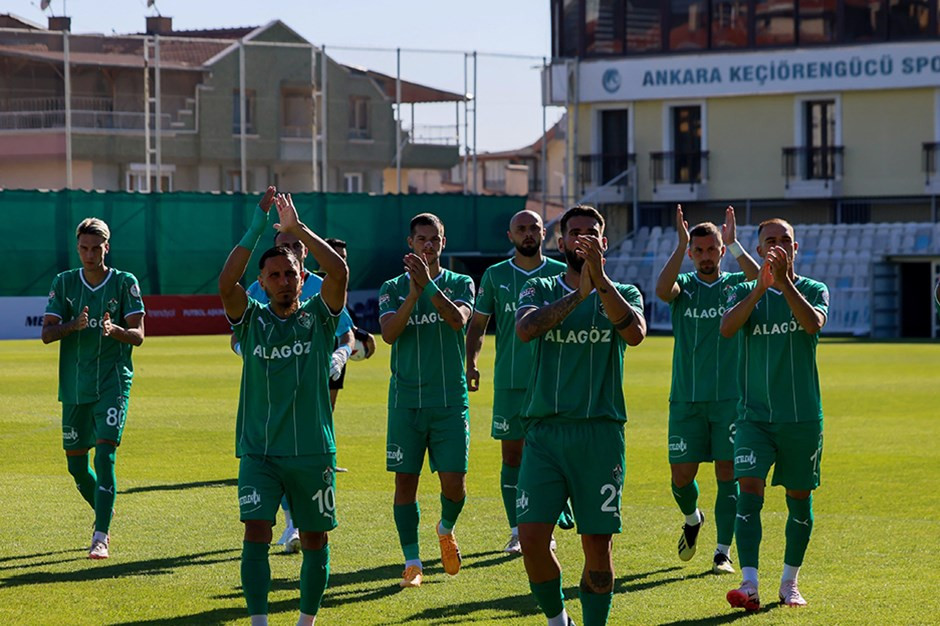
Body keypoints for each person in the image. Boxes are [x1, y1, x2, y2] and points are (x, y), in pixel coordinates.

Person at [219, 192, 348, 626]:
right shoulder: (251, 319)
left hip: (313, 450)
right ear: (262, 282)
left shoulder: (320, 316)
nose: (282, 280)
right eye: (273, 275)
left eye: (289, 273)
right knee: (256, 532)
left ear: (300, 275)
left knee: (314, 537)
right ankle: (259, 622)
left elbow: (340, 271)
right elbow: (225, 283)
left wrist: (298, 231)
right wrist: (259, 228)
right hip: (259, 450)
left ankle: (305, 622)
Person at [515, 205, 646, 626]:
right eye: (575, 232)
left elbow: (635, 333)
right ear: (561, 241)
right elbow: (526, 328)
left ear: (604, 243)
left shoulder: (625, 291)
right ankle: (558, 621)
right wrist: (578, 295)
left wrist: (601, 282)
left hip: (599, 435)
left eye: (592, 232)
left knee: (598, 551)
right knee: (533, 540)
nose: (583, 238)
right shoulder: (538, 288)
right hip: (545, 433)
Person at [719, 218, 829, 611]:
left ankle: (789, 583)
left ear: (795, 249)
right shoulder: (744, 290)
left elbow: (812, 324)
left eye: (785, 240)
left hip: (801, 418)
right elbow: (727, 328)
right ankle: (749, 583)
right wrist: (760, 290)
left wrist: (785, 285)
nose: (779, 246)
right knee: (747, 491)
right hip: (754, 418)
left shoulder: (814, 289)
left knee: (799, 501)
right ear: (761, 248)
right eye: (771, 240)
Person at [654, 205, 759, 575]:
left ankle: (722, 552)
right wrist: (678, 243)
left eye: (711, 249)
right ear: (690, 254)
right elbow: (661, 289)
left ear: (719, 249)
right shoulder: (685, 287)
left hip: (731, 400)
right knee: (681, 476)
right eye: (697, 251)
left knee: (728, 474)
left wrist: (735, 246)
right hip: (686, 398)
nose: (705, 256)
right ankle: (692, 517)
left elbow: (766, 281)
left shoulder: (735, 286)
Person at [379, 213, 475, 588]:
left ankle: (445, 527)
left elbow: (457, 320)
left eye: (434, 239)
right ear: (410, 244)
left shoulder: (461, 282)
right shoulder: (391, 288)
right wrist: (414, 294)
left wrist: (429, 287)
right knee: (406, 483)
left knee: (455, 485)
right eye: (421, 239)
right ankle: (412, 562)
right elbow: (388, 333)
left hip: (450, 400)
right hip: (406, 401)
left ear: (443, 242)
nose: (428, 245)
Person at [41, 218, 145, 560]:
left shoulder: (125, 282)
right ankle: (104, 506)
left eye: (96, 248)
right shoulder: (65, 282)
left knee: (105, 455)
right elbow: (47, 333)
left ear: (107, 248)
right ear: (77, 248)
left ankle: (101, 534)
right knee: (75, 466)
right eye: (84, 248)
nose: (89, 255)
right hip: (73, 384)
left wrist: (114, 330)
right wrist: (75, 325)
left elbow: (139, 335)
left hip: (113, 381)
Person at [465, 210, 566, 554]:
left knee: (553, 456)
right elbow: (478, 325)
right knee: (512, 457)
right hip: (510, 381)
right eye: (520, 229)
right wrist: (472, 363)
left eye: (534, 228)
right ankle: (517, 531)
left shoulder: (560, 273)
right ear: (510, 236)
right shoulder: (495, 275)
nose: (528, 233)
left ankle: (547, 526)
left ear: (544, 233)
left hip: (552, 381)